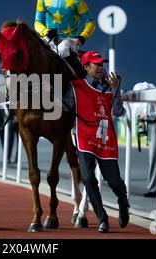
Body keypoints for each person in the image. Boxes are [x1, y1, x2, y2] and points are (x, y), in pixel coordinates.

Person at [63, 50, 130, 233]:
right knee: (87, 178)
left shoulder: (110, 87)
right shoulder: (75, 87)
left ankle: (123, 202)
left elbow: (118, 112)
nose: (101, 68)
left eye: (102, 64)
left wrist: (116, 89)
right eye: (96, 64)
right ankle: (102, 218)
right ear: (86, 67)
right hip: (85, 140)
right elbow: (62, 107)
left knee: (114, 181)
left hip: (105, 140)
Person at [35, 0, 96, 77]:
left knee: (62, 50)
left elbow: (90, 22)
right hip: (48, 39)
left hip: (69, 41)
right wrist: (46, 31)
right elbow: (37, 22)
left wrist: (82, 38)